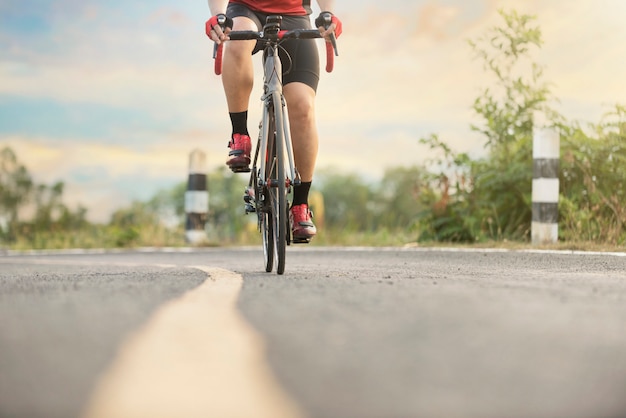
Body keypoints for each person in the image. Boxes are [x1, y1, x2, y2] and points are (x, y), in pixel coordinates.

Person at [206, 0, 342, 243]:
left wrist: (328, 13)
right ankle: (240, 135)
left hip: (295, 14)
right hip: (246, 10)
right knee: (237, 42)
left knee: (302, 106)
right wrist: (218, 15)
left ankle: (300, 204)